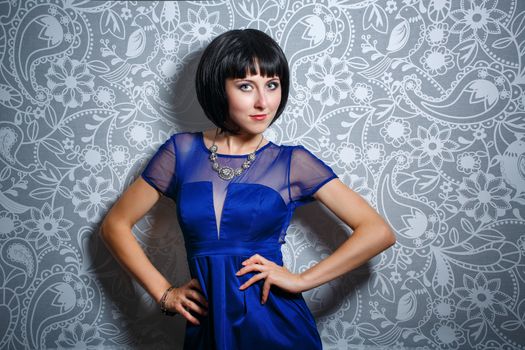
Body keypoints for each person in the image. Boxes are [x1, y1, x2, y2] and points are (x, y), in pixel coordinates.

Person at [100, 28, 396, 349]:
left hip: (277, 325)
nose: (263, 102)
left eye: (272, 85)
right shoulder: (180, 153)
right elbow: (114, 225)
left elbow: (378, 231)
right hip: (208, 327)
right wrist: (163, 292)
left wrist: (302, 280)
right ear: (218, 88)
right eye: (245, 86)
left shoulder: (292, 162)